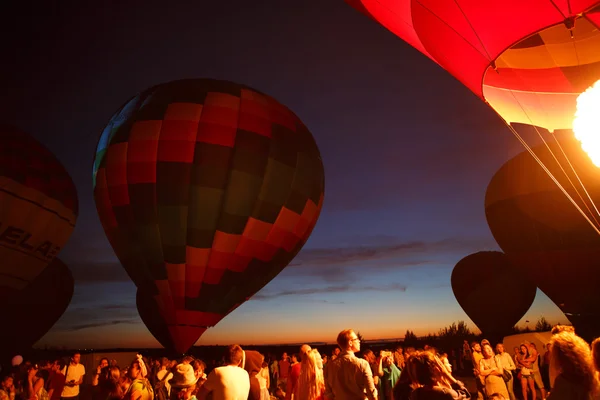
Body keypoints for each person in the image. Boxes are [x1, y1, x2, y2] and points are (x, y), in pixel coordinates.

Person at [324, 329, 377, 399]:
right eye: (356, 339)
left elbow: (328, 394)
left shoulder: (329, 367)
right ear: (350, 343)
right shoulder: (362, 364)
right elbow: (371, 393)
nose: (359, 341)